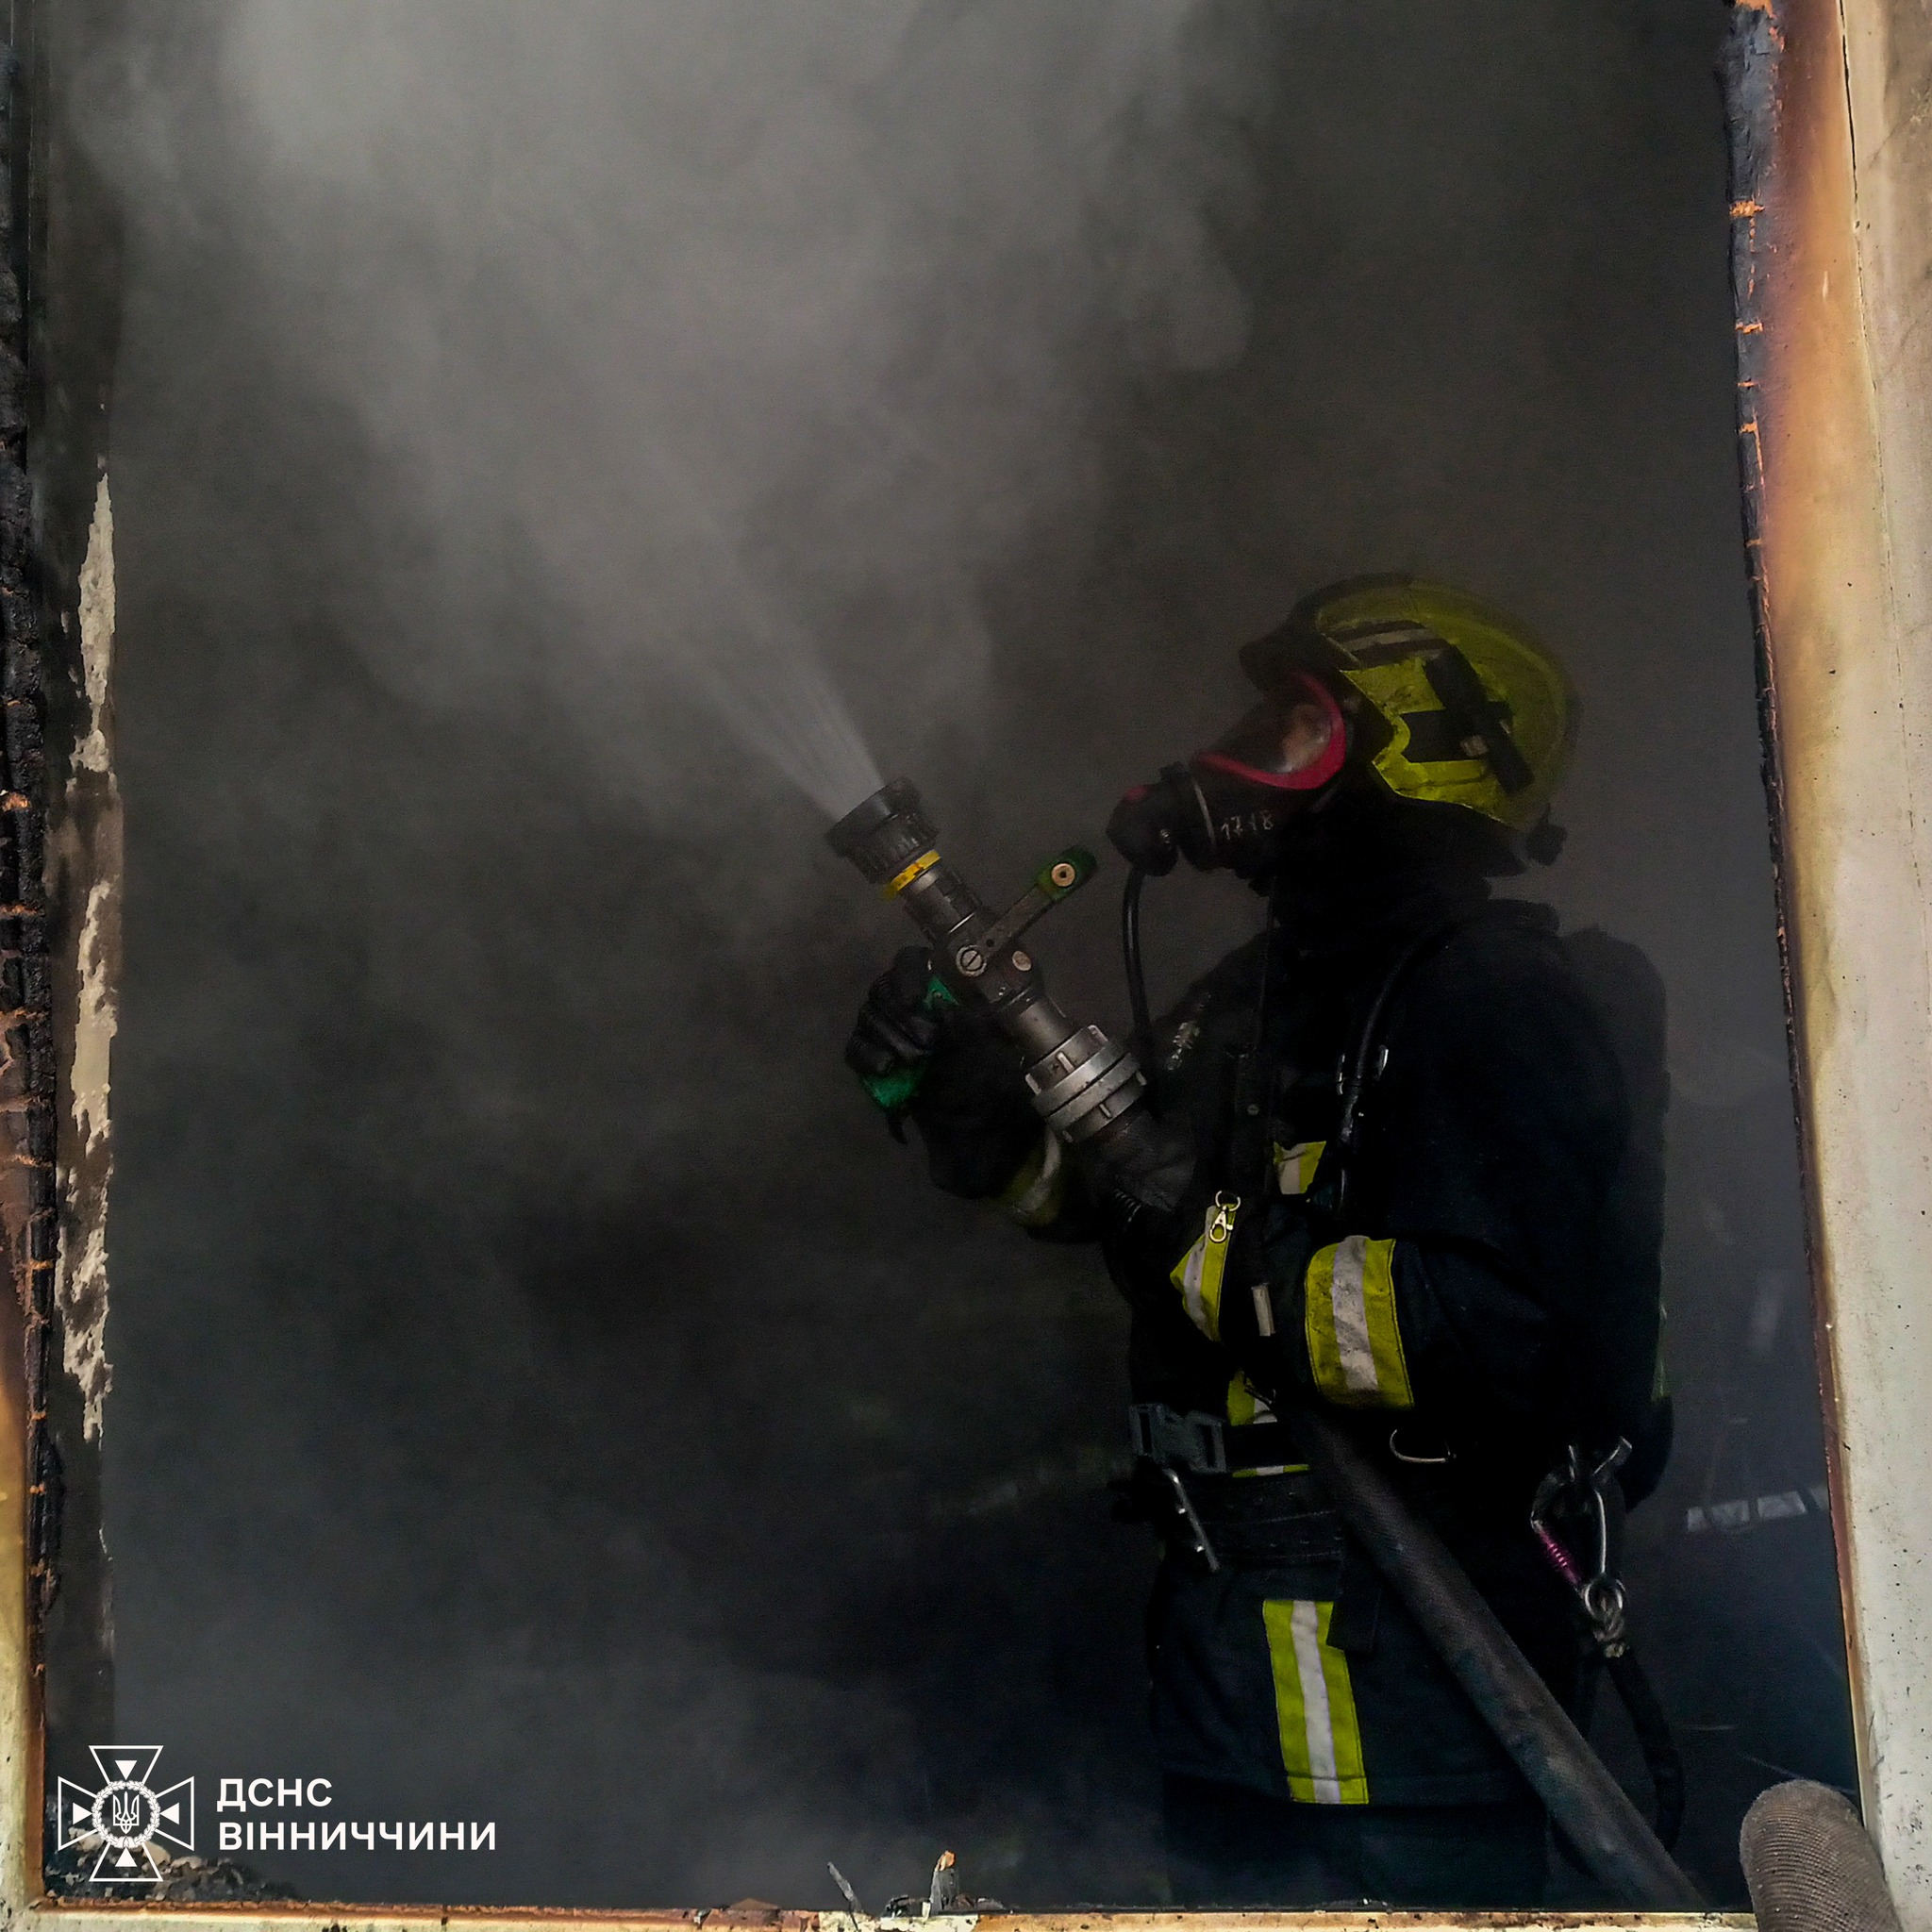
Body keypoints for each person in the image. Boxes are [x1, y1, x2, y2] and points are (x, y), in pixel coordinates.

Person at [843, 576, 1672, 1908]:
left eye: (1293, 726)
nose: (1239, 755)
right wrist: (963, 1099)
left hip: (1423, 1696)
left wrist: (1206, 1229)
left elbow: (1488, 1332)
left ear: (1419, 743)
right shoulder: (1254, 999)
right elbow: (1107, 1209)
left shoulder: (1493, 996)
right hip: (1232, 1688)